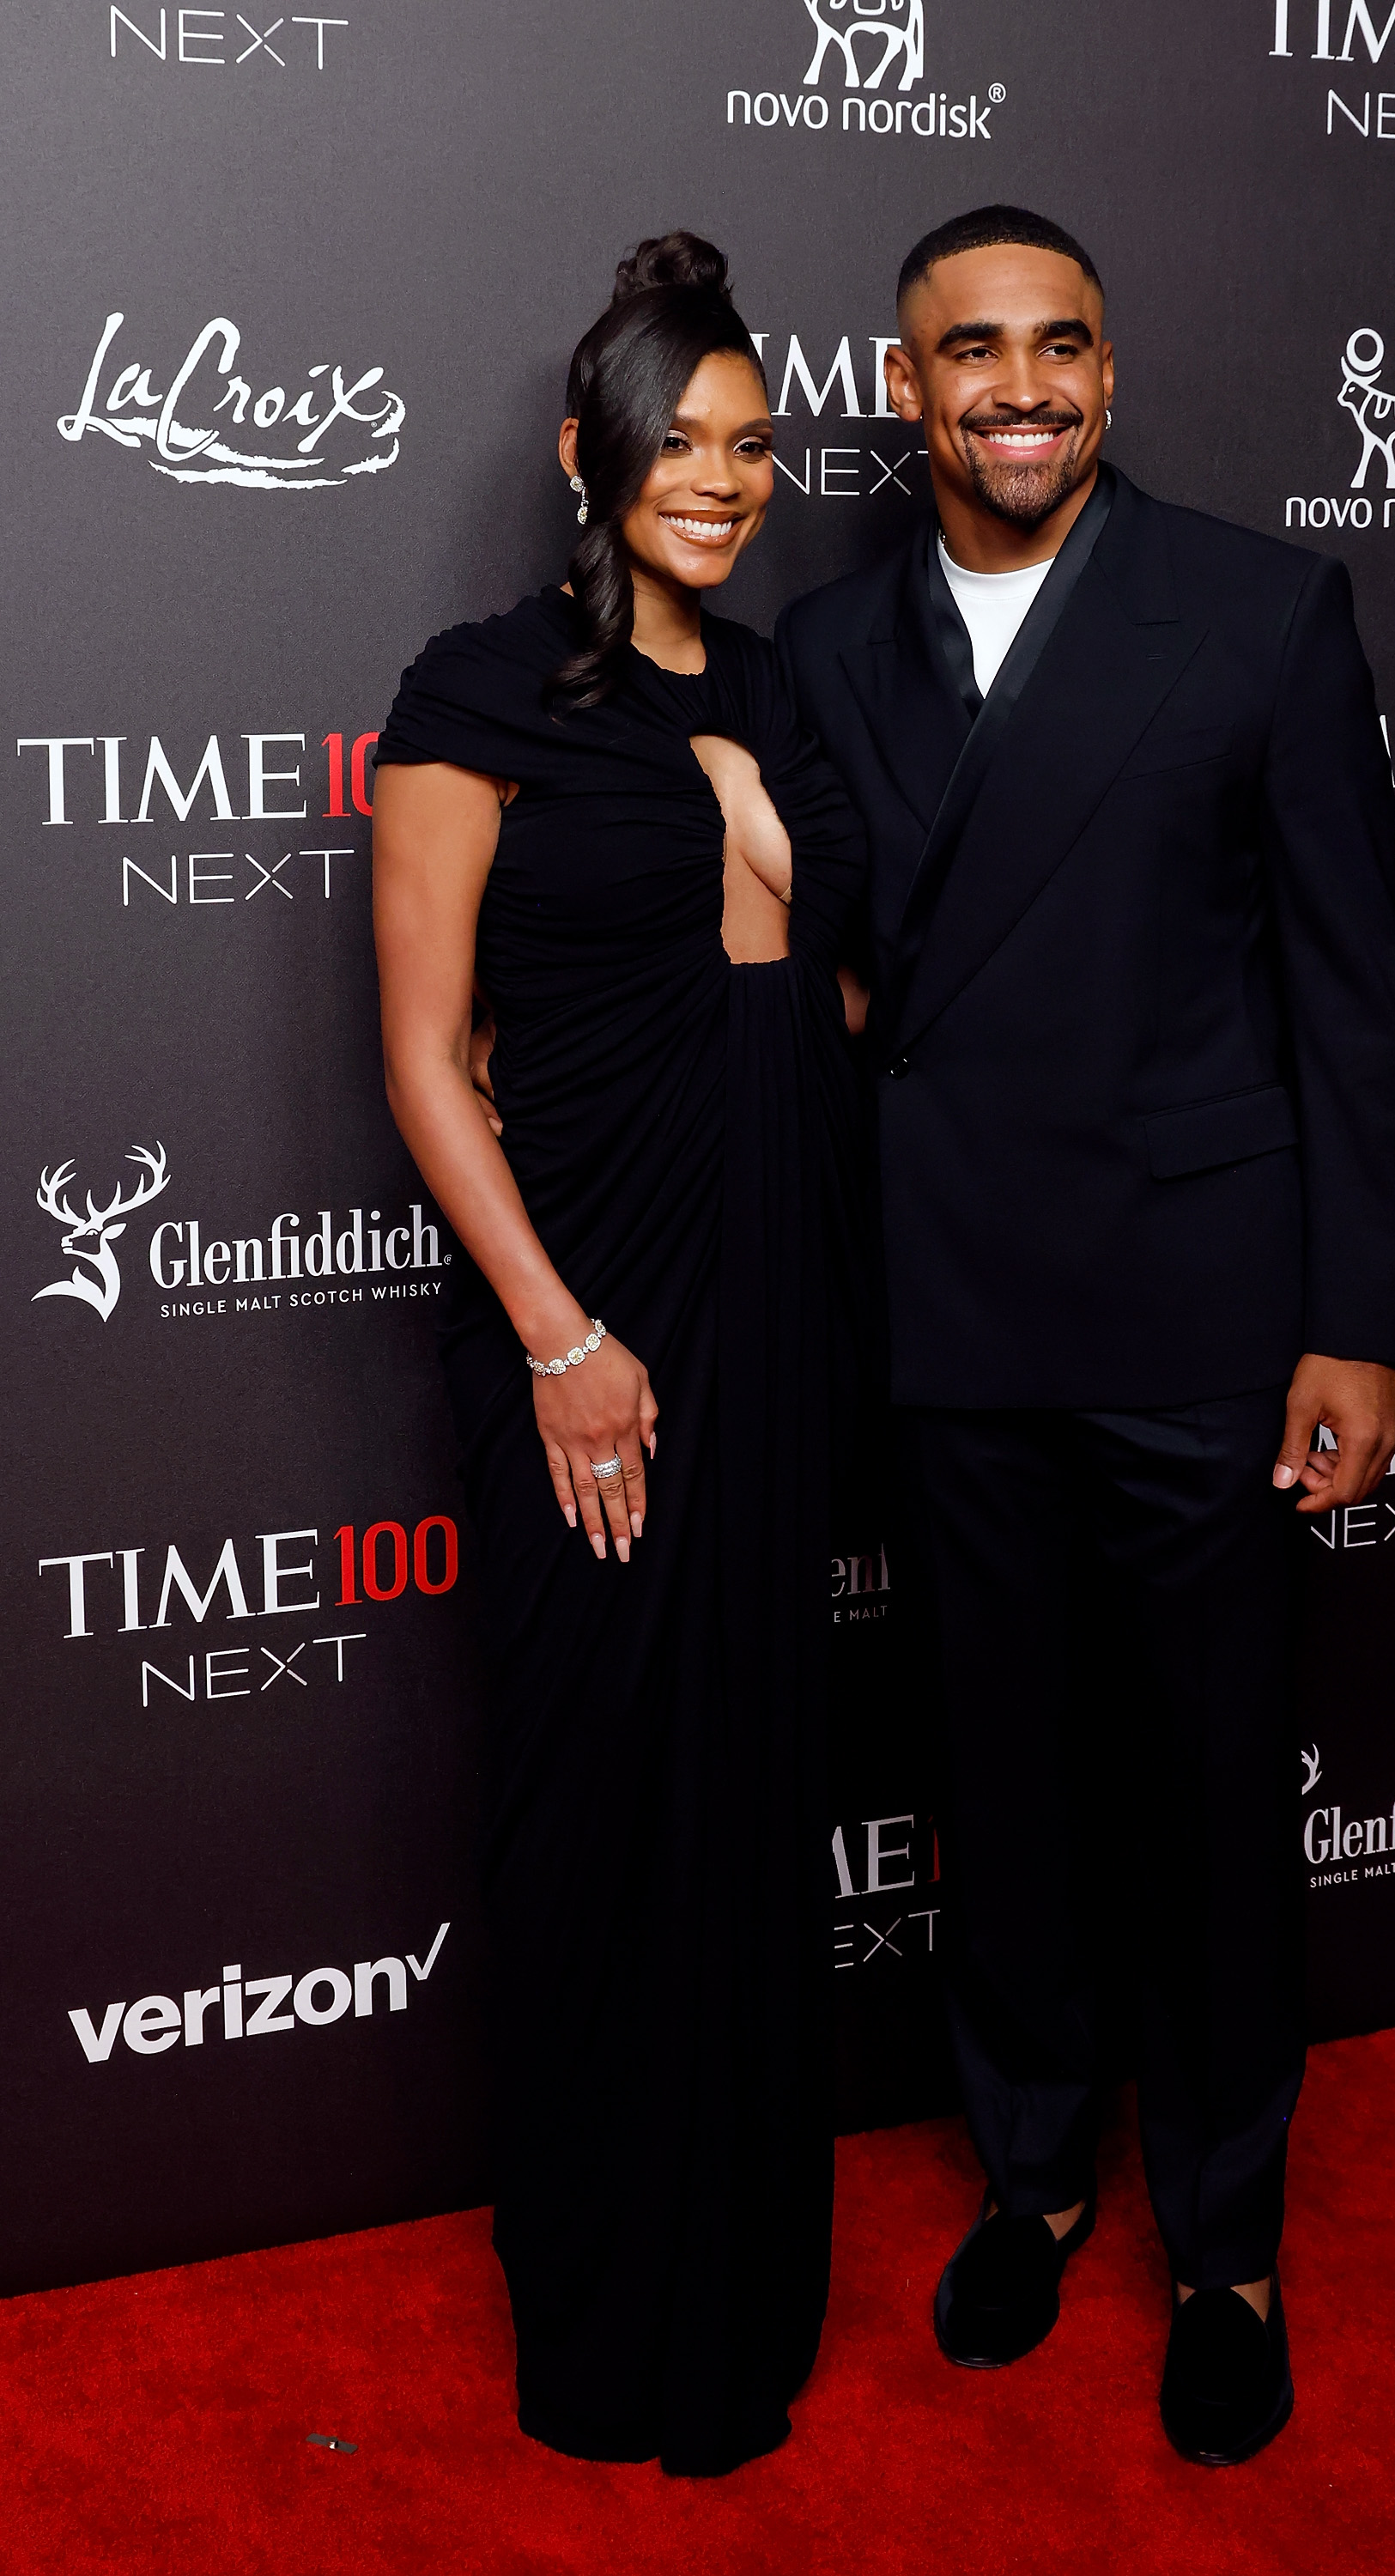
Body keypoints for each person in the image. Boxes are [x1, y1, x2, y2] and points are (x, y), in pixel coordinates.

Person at [777, 205, 1395, 2467]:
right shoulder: (830, 643)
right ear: (905, 392)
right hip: (958, 1309)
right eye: (971, 353)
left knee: (1218, 1798)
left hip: (1204, 1317)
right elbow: (803, 961)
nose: (1018, 387)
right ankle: (1037, 2174)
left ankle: (1227, 2238)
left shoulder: (1258, 607)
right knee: (1008, 1791)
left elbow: (1352, 997)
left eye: (1060, 348)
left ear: (1112, 380)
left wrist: (1355, 1321)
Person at [370, 233, 865, 2477]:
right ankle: (597, 2309)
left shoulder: (774, 693)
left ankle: (736, 2298)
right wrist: (564, 1336)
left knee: (747, 1792)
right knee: (596, 1812)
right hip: (574, 1320)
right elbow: (421, 1059)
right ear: (591, 454)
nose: (720, 479)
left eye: (752, 446)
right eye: (679, 440)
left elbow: (819, 1025)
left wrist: (759, 854)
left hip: (759, 1305)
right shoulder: (474, 693)